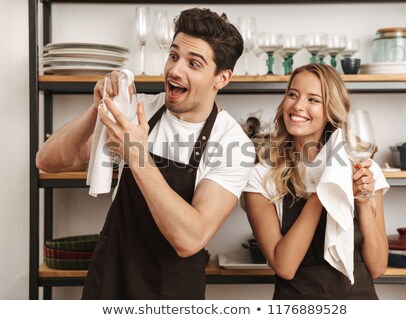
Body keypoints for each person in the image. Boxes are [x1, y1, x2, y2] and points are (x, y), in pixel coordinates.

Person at [36, 8, 255, 299]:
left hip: (171, 293)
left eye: (194, 63)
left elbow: (190, 238)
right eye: (174, 56)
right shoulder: (139, 109)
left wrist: (137, 155)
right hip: (110, 279)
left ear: (222, 78)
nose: (176, 70)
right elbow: (48, 161)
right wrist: (98, 109)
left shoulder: (232, 145)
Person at [243, 64, 389, 300]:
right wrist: (324, 191)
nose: (298, 105)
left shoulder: (363, 169)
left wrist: (363, 202)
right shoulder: (261, 177)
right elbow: (284, 266)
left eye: (313, 99)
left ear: (331, 110)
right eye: (293, 94)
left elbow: (378, 267)